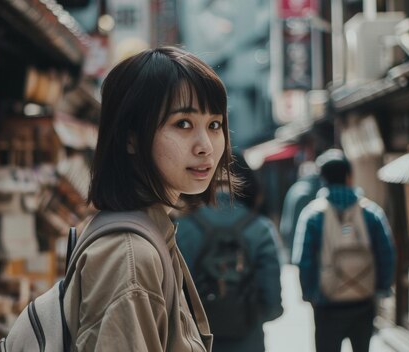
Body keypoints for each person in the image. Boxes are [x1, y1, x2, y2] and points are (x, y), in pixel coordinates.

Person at [67, 46, 235, 351]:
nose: (206, 146)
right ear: (131, 137)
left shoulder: (147, 234)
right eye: (183, 123)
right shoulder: (130, 256)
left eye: (214, 125)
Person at [176, 155, 284, 352]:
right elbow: (273, 304)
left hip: (198, 341)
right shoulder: (260, 227)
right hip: (249, 340)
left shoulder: (182, 228)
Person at [292, 149, 396, 352]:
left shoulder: (312, 215)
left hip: (327, 305)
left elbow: (304, 260)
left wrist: (311, 295)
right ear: (350, 176)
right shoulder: (371, 212)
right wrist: (381, 288)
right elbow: (387, 253)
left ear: (323, 179)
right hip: (363, 301)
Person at [279, 160, 322, 258]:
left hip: (288, 238)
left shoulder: (295, 187)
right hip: (298, 245)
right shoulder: (308, 192)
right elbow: (299, 226)